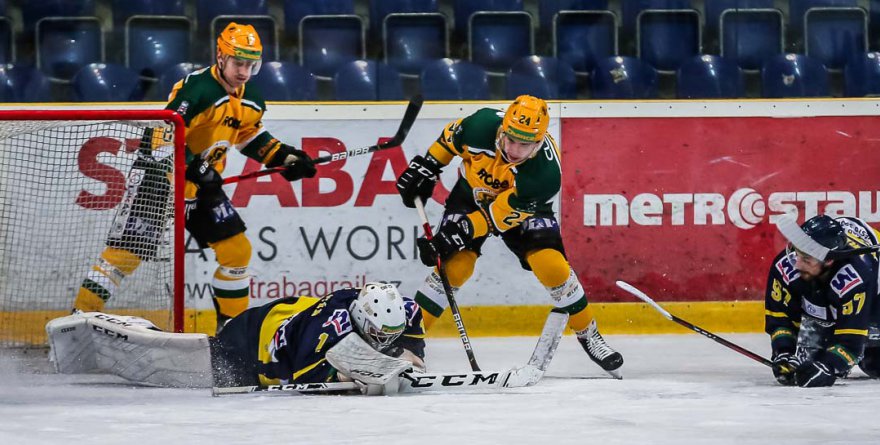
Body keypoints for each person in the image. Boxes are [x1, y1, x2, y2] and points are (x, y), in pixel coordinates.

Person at [73, 22, 317, 332]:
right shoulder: (197, 89)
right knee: (126, 256)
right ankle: (78, 319)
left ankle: (231, 333)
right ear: (221, 57)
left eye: (251, 65)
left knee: (236, 251)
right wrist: (196, 167)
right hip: (158, 178)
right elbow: (162, 136)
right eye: (238, 63)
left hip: (201, 185)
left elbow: (249, 135)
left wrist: (286, 157)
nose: (244, 72)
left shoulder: (251, 98)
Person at [395, 95, 623, 377]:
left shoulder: (544, 175)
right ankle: (408, 341)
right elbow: (450, 139)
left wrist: (456, 233)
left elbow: (494, 218)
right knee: (454, 267)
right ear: (502, 129)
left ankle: (589, 334)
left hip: (521, 207)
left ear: (538, 143)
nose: (514, 150)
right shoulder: (480, 125)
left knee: (551, 265)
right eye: (511, 139)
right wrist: (429, 165)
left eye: (524, 144)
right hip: (470, 195)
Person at [48, 282, 426, 389]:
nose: (383, 339)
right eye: (377, 334)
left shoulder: (397, 308)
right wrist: (347, 376)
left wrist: (411, 351)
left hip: (283, 317)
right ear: (359, 317)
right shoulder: (328, 329)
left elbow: (412, 323)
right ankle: (130, 326)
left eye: (388, 335)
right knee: (167, 366)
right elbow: (303, 376)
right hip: (247, 345)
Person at [766, 214, 880, 387]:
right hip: (832, 288)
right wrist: (783, 351)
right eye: (797, 253)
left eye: (806, 259)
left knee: (873, 363)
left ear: (828, 260)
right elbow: (781, 318)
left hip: (875, 297)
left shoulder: (856, 278)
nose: (797, 264)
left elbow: (851, 344)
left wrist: (830, 366)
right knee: (807, 365)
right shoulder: (787, 265)